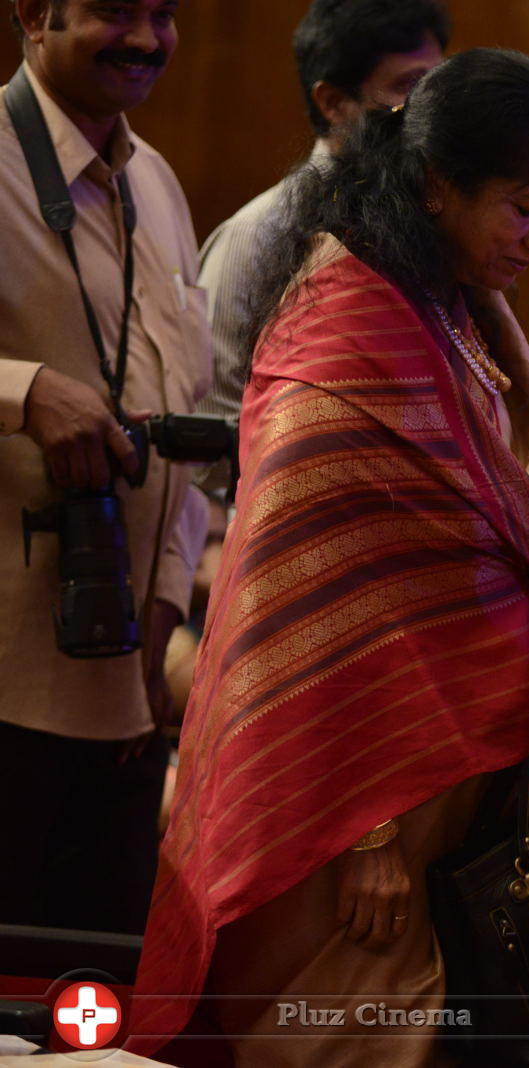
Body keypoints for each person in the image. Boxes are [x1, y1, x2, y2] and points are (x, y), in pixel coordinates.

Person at [131, 50, 529, 1066]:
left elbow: (463, 523)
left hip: (431, 783)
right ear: (438, 187)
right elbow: (306, 607)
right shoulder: (346, 328)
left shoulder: (438, 297)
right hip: (342, 810)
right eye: (524, 209)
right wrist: (372, 833)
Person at [0, 0, 210, 933]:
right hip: (8, 689)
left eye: (163, 14)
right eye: (116, 11)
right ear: (31, 15)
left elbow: (183, 408)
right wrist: (24, 390)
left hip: (125, 685)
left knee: (91, 1011)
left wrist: (165, 597)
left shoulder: (156, 182)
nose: (146, 38)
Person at [196, 0, 448, 424]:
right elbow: (212, 413)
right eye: (411, 86)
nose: (430, 109)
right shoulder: (257, 231)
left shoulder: (431, 216)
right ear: (333, 102)